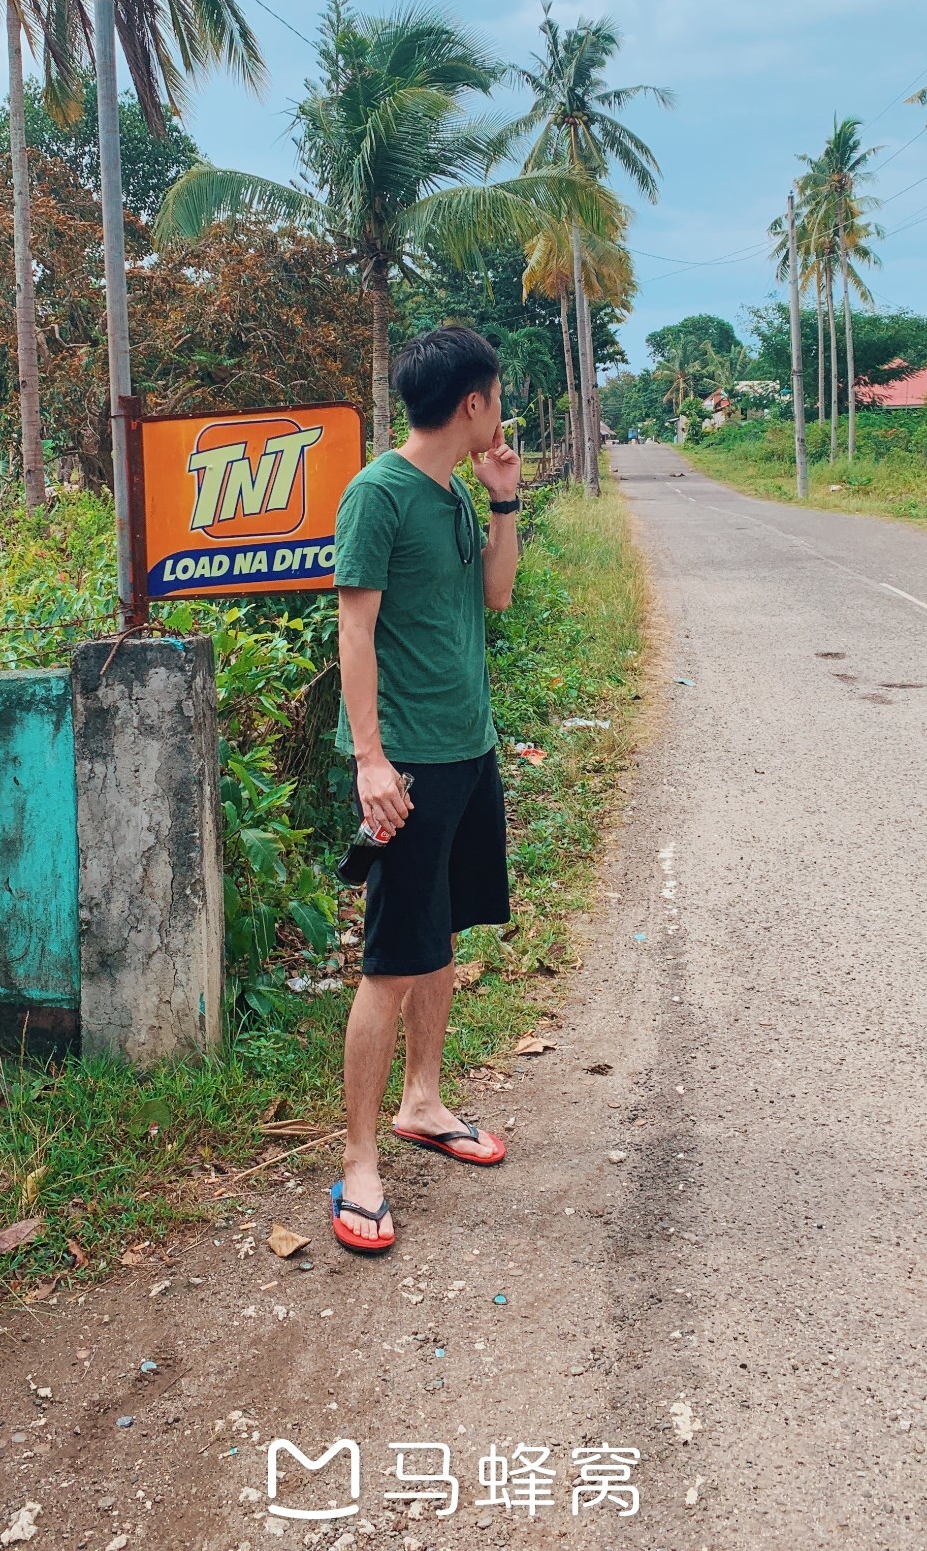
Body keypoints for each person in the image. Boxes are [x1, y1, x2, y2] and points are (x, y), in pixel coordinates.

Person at [328, 325, 522, 1254]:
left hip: (466, 749)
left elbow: (496, 598)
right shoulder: (379, 494)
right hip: (404, 762)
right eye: (496, 396)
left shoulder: (453, 492)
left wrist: (506, 505)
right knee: (391, 960)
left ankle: (424, 1101)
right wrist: (370, 761)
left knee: (438, 932)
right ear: (471, 405)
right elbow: (353, 632)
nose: (499, 411)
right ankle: (360, 1160)